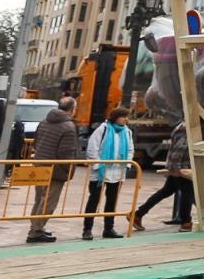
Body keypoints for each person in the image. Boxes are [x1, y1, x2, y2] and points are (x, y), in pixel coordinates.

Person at [25, 96, 82, 242]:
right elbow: (67, 152)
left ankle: (36, 227)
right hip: (55, 169)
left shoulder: (44, 122)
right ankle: (36, 231)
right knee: (49, 201)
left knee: (39, 199)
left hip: (39, 165)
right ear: (72, 109)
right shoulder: (68, 127)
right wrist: (68, 169)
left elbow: (36, 142)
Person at [82, 106, 134, 239]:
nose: (126, 119)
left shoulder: (127, 132)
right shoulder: (103, 129)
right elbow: (93, 148)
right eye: (124, 116)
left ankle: (109, 228)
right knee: (93, 200)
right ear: (116, 117)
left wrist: (126, 164)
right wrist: (98, 165)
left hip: (117, 172)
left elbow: (130, 150)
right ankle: (87, 229)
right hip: (101, 172)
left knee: (112, 201)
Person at [133, 122, 194, 231]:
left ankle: (138, 214)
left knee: (166, 191)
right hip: (182, 166)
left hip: (179, 165)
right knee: (187, 194)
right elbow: (180, 148)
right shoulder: (186, 127)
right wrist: (177, 169)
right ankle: (186, 222)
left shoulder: (182, 126)